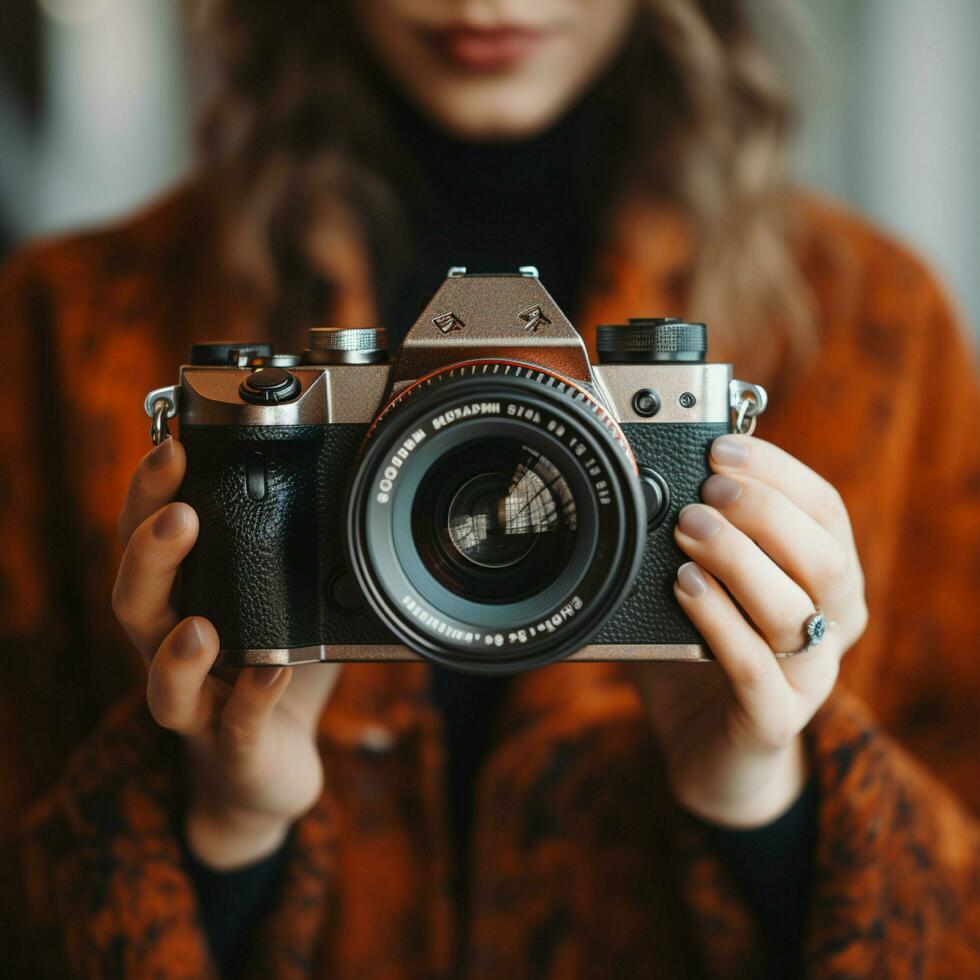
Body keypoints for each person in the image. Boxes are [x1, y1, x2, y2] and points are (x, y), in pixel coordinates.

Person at [1, 0, 978, 977]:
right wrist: (217, 821)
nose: (485, 0)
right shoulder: (67, 320)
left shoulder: (868, 322)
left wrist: (772, 798)